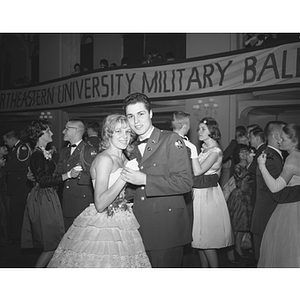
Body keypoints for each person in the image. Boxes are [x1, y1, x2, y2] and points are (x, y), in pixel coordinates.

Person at [48, 114, 151, 267]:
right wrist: (124, 176)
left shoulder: (124, 158)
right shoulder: (105, 159)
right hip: (104, 223)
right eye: (118, 132)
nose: (125, 136)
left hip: (123, 219)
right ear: (109, 133)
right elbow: (100, 203)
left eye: (128, 132)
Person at [121, 93, 193, 267]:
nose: (136, 121)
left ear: (151, 114)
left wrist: (145, 179)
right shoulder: (134, 147)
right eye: (130, 116)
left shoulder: (170, 140)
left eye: (140, 114)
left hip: (165, 230)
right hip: (140, 226)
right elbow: (138, 188)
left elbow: (185, 182)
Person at [21, 120, 77, 267]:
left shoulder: (42, 153)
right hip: (44, 198)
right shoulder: (38, 155)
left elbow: (41, 175)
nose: (51, 133)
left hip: (48, 196)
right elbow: (44, 180)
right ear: (40, 134)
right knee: (52, 244)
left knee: (53, 243)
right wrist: (68, 175)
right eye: (48, 131)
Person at [190, 117, 233, 267]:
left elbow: (198, 171)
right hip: (199, 194)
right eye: (198, 129)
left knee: (207, 240)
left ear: (212, 131)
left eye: (203, 129)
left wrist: (192, 152)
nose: (199, 132)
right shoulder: (205, 149)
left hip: (207, 196)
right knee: (199, 240)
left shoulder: (215, 151)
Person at [257, 123, 300, 267]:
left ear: (295, 142)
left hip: (292, 208)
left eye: (283, 139)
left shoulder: (293, 158)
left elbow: (275, 188)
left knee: (287, 251)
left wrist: (262, 166)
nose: (280, 141)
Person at [250, 121, 286, 261]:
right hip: (267, 216)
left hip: (267, 215)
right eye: (285, 134)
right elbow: (277, 192)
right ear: (277, 136)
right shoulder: (269, 158)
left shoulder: (272, 154)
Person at [55, 118, 98, 230]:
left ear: (77, 131)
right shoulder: (64, 151)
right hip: (66, 202)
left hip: (82, 203)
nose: (63, 131)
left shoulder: (89, 150)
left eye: (67, 129)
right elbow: (57, 174)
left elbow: (96, 177)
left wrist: (79, 175)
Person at [2, 129, 32, 242]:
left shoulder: (21, 148)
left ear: (11, 139)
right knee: (15, 212)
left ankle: (19, 236)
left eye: (6, 141)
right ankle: (16, 235)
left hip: (20, 186)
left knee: (18, 212)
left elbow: (21, 166)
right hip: (16, 186)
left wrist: (5, 166)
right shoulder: (15, 148)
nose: (5, 144)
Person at [227, 144, 253, 259]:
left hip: (248, 197)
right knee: (236, 224)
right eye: (241, 152)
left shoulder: (250, 165)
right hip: (238, 197)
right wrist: (250, 165)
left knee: (244, 225)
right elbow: (241, 176)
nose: (244, 154)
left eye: (246, 152)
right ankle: (232, 250)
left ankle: (238, 247)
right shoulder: (238, 166)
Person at [0, 144, 10, 245]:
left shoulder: (7, 160)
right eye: (3, 147)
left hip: (5, 191)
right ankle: (4, 238)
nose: (5, 148)